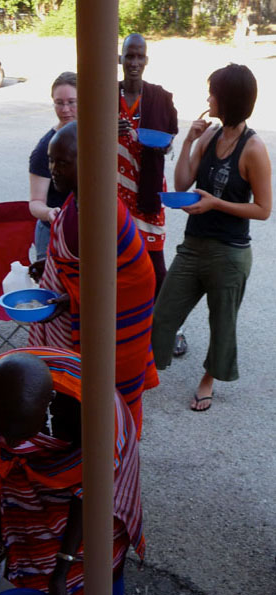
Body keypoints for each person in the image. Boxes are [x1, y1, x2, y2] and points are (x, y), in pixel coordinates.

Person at [0, 347, 145, 595]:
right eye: (1, 432)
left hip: (94, 473)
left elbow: (90, 498)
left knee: (99, 552)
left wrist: (61, 570)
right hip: (22, 472)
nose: (8, 442)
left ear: (49, 403)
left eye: (19, 435)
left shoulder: (98, 415)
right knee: (21, 538)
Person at [151, 64, 272, 411]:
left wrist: (217, 203)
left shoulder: (253, 149)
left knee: (222, 323)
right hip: (193, 246)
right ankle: (148, 368)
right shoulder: (210, 135)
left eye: (213, 92)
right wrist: (190, 138)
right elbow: (181, 184)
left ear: (229, 98)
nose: (208, 98)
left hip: (229, 253)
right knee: (162, 315)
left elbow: (263, 209)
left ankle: (208, 379)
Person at [28, 121, 158, 438]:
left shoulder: (96, 211)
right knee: (70, 406)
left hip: (108, 326)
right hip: (74, 321)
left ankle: (90, 477)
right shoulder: (80, 196)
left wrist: (67, 298)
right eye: (51, 160)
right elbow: (77, 261)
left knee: (91, 417)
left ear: (88, 160)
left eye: (63, 162)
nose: (54, 170)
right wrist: (51, 262)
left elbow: (123, 280)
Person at [118, 33, 187, 357]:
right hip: (114, 197)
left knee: (156, 267)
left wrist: (159, 141)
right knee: (118, 264)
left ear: (146, 60)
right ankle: (126, 325)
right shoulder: (105, 97)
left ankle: (171, 326)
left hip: (148, 195)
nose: (134, 63)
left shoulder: (160, 98)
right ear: (120, 58)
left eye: (139, 56)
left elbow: (169, 142)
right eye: (128, 56)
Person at [29, 71, 77, 260]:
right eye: (59, 103)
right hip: (52, 233)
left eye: (71, 102)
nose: (65, 109)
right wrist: (50, 213)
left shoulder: (94, 137)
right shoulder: (45, 149)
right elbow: (35, 203)